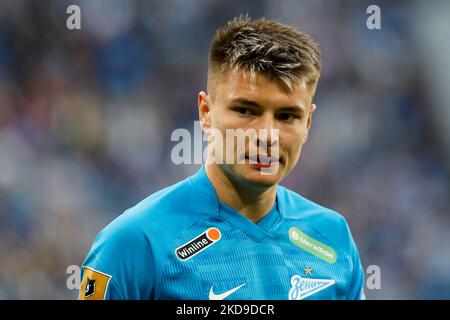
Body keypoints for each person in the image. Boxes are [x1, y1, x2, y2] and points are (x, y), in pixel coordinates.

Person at [79, 15, 365, 300]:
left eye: (287, 116)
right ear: (206, 112)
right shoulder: (134, 243)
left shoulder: (334, 238)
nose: (267, 134)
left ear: (308, 124)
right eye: (246, 110)